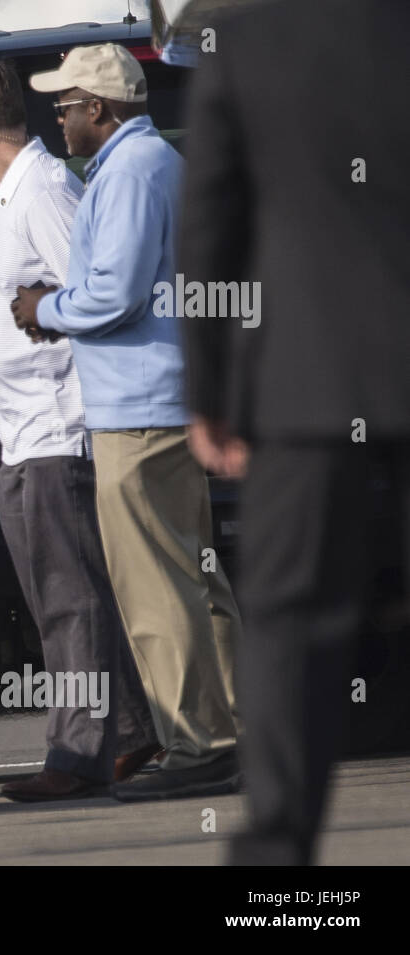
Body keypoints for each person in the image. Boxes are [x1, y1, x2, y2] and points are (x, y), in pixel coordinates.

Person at [180, 0, 410, 863]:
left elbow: (207, 229)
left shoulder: (245, 45)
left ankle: (280, 871)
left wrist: (208, 388)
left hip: (308, 377)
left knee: (290, 620)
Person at [11, 43, 242, 801]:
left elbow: (113, 294)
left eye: (66, 106)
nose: (59, 119)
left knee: (154, 590)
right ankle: (233, 730)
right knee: (195, 576)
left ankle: (199, 743)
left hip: (137, 412)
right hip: (164, 400)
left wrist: (43, 307)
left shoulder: (132, 172)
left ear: (98, 111)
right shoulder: (151, 164)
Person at [0, 56, 160, 801]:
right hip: (24, 436)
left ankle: (77, 754)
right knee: (60, 599)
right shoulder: (7, 194)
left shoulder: (46, 190)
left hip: (58, 434)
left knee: (71, 603)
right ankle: (125, 730)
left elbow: (96, 294)